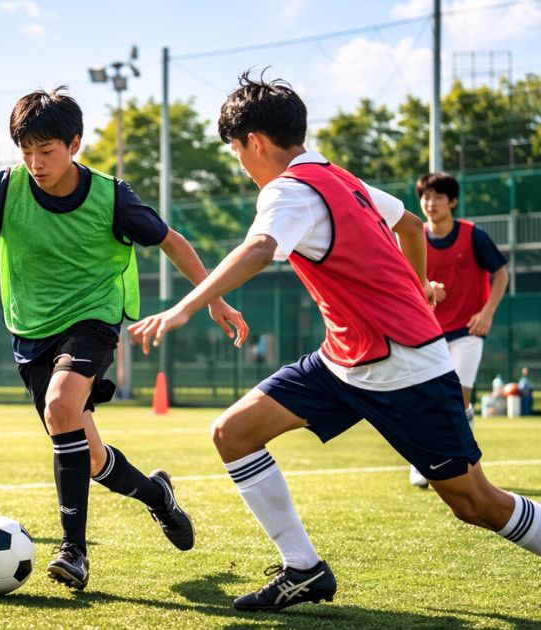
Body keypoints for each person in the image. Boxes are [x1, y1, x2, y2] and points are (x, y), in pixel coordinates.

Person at [132, 72, 540, 612]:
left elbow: (259, 249)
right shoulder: (338, 177)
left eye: (236, 149)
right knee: (233, 432)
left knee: (476, 503)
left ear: (254, 142)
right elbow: (413, 228)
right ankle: (303, 569)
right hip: (345, 360)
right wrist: (418, 287)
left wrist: (186, 305)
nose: (240, 162)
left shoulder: (289, 190)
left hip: (404, 365)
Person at [0, 86, 247, 590]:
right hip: (31, 332)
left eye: (47, 151)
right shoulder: (3, 189)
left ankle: (73, 551)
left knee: (62, 406)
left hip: (93, 320)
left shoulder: (112, 197)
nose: (35, 163)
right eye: (26, 151)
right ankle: (156, 496)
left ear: (75, 144)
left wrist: (213, 297)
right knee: (90, 454)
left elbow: (171, 239)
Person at [408, 172, 509, 486]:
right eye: (426, 196)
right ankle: (422, 462)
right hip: (427, 333)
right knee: (423, 400)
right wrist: (425, 286)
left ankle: (464, 461)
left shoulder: (473, 235)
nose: (430, 202)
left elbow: (501, 273)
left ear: (452, 201)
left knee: (458, 399)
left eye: (438, 196)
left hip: (468, 331)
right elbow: (404, 280)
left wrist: (487, 313)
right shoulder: (414, 238)